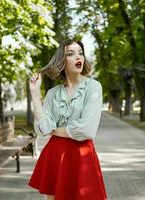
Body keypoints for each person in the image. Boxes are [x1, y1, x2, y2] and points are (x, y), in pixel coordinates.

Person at [27, 39, 107, 200]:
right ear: (62, 61)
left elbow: (87, 130)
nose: (78, 57)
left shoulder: (93, 87)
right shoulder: (52, 94)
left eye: (81, 53)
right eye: (71, 54)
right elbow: (42, 128)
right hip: (55, 155)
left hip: (82, 154)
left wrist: (54, 130)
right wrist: (35, 94)